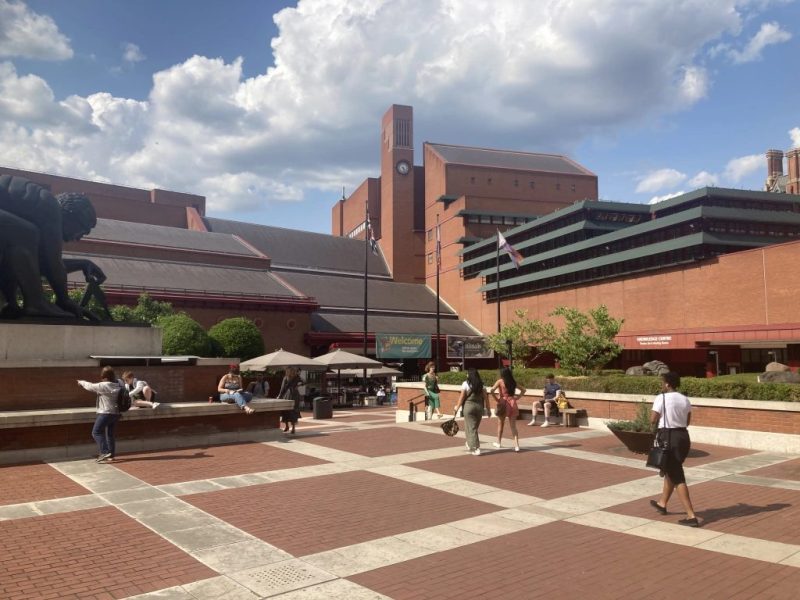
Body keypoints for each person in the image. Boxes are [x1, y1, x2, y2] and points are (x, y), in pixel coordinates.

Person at [0, 174, 102, 319]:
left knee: (20, 250)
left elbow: (36, 265)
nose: (78, 238)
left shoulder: (35, 211)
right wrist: (64, 299)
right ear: (72, 216)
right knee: (26, 233)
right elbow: (53, 264)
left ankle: (10, 305)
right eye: (82, 230)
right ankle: (36, 304)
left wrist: (82, 263)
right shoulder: (50, 206)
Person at [649, 371, 700, 527]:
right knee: (672, 469)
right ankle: (662, 503)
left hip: (668, 437)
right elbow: (687, 421)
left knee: (677, 476)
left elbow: (652, 419)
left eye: (662, 382)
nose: (661, 385)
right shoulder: (685, 399)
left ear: (667, 384)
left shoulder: (661, 398)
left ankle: (691, 516)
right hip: (683, 437)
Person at [78, 366, 121, 463]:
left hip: (106, 413)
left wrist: (81, 382)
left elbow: (90, 386)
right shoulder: (119, 383)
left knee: (96, 432)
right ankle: (111, 455)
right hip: (116, 413)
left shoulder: (104, 385)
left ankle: (104, 451)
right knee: (110, 434)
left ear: (105, 377)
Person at [489, 367, 526, 452]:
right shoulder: (513, 382)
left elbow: (491, 390)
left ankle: (498, 442)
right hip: (513, 403)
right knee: (513, 426)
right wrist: (517, 398)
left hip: (503, 403)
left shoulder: (500, 381)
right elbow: (524, 390)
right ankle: (517, 445)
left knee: (500, 424)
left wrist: (497, 399)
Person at [453, 368, 487, 456]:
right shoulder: (481, 384)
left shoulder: (465, 384)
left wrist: (457, 407)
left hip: (469, 407)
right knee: (473, 427)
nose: (466, 375)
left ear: (470, 375)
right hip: (479, 407)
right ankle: (469, 443)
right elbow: (486, 398)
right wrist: (489, 409)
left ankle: (476, 447)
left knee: (472, 428)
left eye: (467, 373)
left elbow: (462, 397)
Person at [278, 366, 304, 433]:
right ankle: (287, 426)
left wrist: (298, 385)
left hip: (294, 395)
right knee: (286, 411)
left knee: (293, 411)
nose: (290, 372)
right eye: (289, 370)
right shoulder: (286, 378)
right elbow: (282, 388)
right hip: (287, 395)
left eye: (292, 370)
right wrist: (280, 396)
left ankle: (293, 428)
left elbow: (304, 381)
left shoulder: (297, 377)